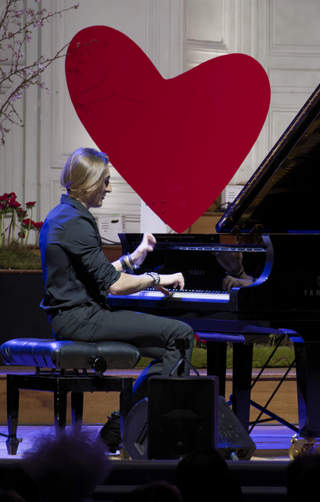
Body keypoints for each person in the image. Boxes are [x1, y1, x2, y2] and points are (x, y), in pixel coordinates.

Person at [39, 147, 196, 451]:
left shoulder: (64, 215)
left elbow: (95, 274)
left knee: (172, 347)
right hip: (82, 319)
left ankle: (123, 426)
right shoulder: (76, 222)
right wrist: (158, 278)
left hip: (75, 315)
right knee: (182, 334)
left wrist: (135, 258)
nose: (109, 189)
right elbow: (114, 287)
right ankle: (133, 425)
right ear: (88, 182)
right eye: (106, 181)